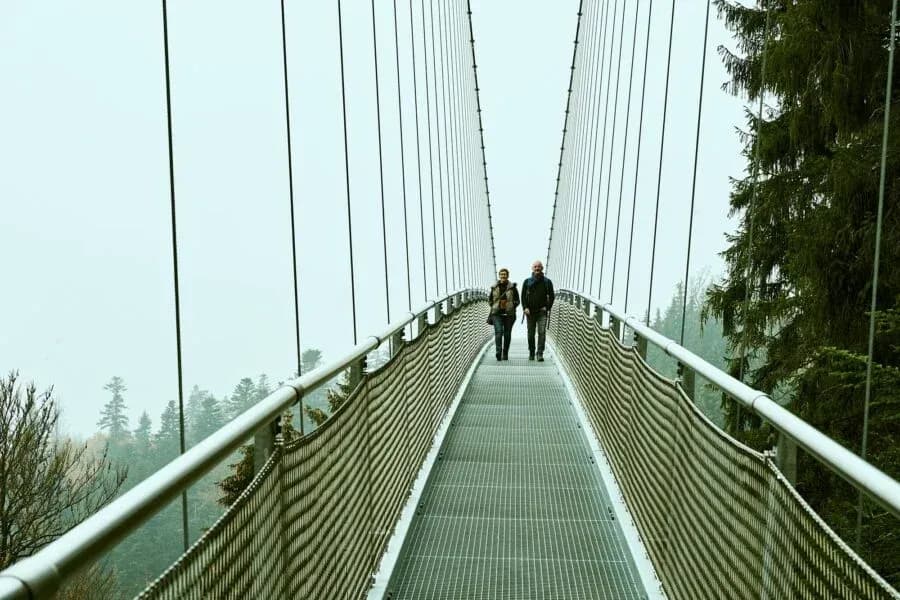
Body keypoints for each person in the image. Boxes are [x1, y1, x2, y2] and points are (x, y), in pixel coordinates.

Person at [521, 260, 555, 361]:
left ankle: (540, 353)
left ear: (542, 268)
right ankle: (531, 352)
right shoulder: (527, 282)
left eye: (539, 267)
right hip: (530, 312)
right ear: (532, 268)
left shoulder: (547, 282)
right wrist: (525, 308)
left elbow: (552, 296)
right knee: (531, 333)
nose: (537, 268)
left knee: (542, 332)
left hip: (542, 312)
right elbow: (523, 296)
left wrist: (547, 307)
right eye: (535, 267)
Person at [488, 268, 519, 360]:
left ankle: (505, 353)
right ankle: (498, 352)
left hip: (509, 314)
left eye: (505, 274)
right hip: (496, 314)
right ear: (499, 276)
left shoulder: (513, 288)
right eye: (501, 274)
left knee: (507, 334)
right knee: (498, 332)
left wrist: (511, 306)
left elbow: (517, 300)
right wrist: (495, 306)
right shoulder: (494, 287)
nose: (503, 276)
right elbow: (490, 300)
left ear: (507, 276)